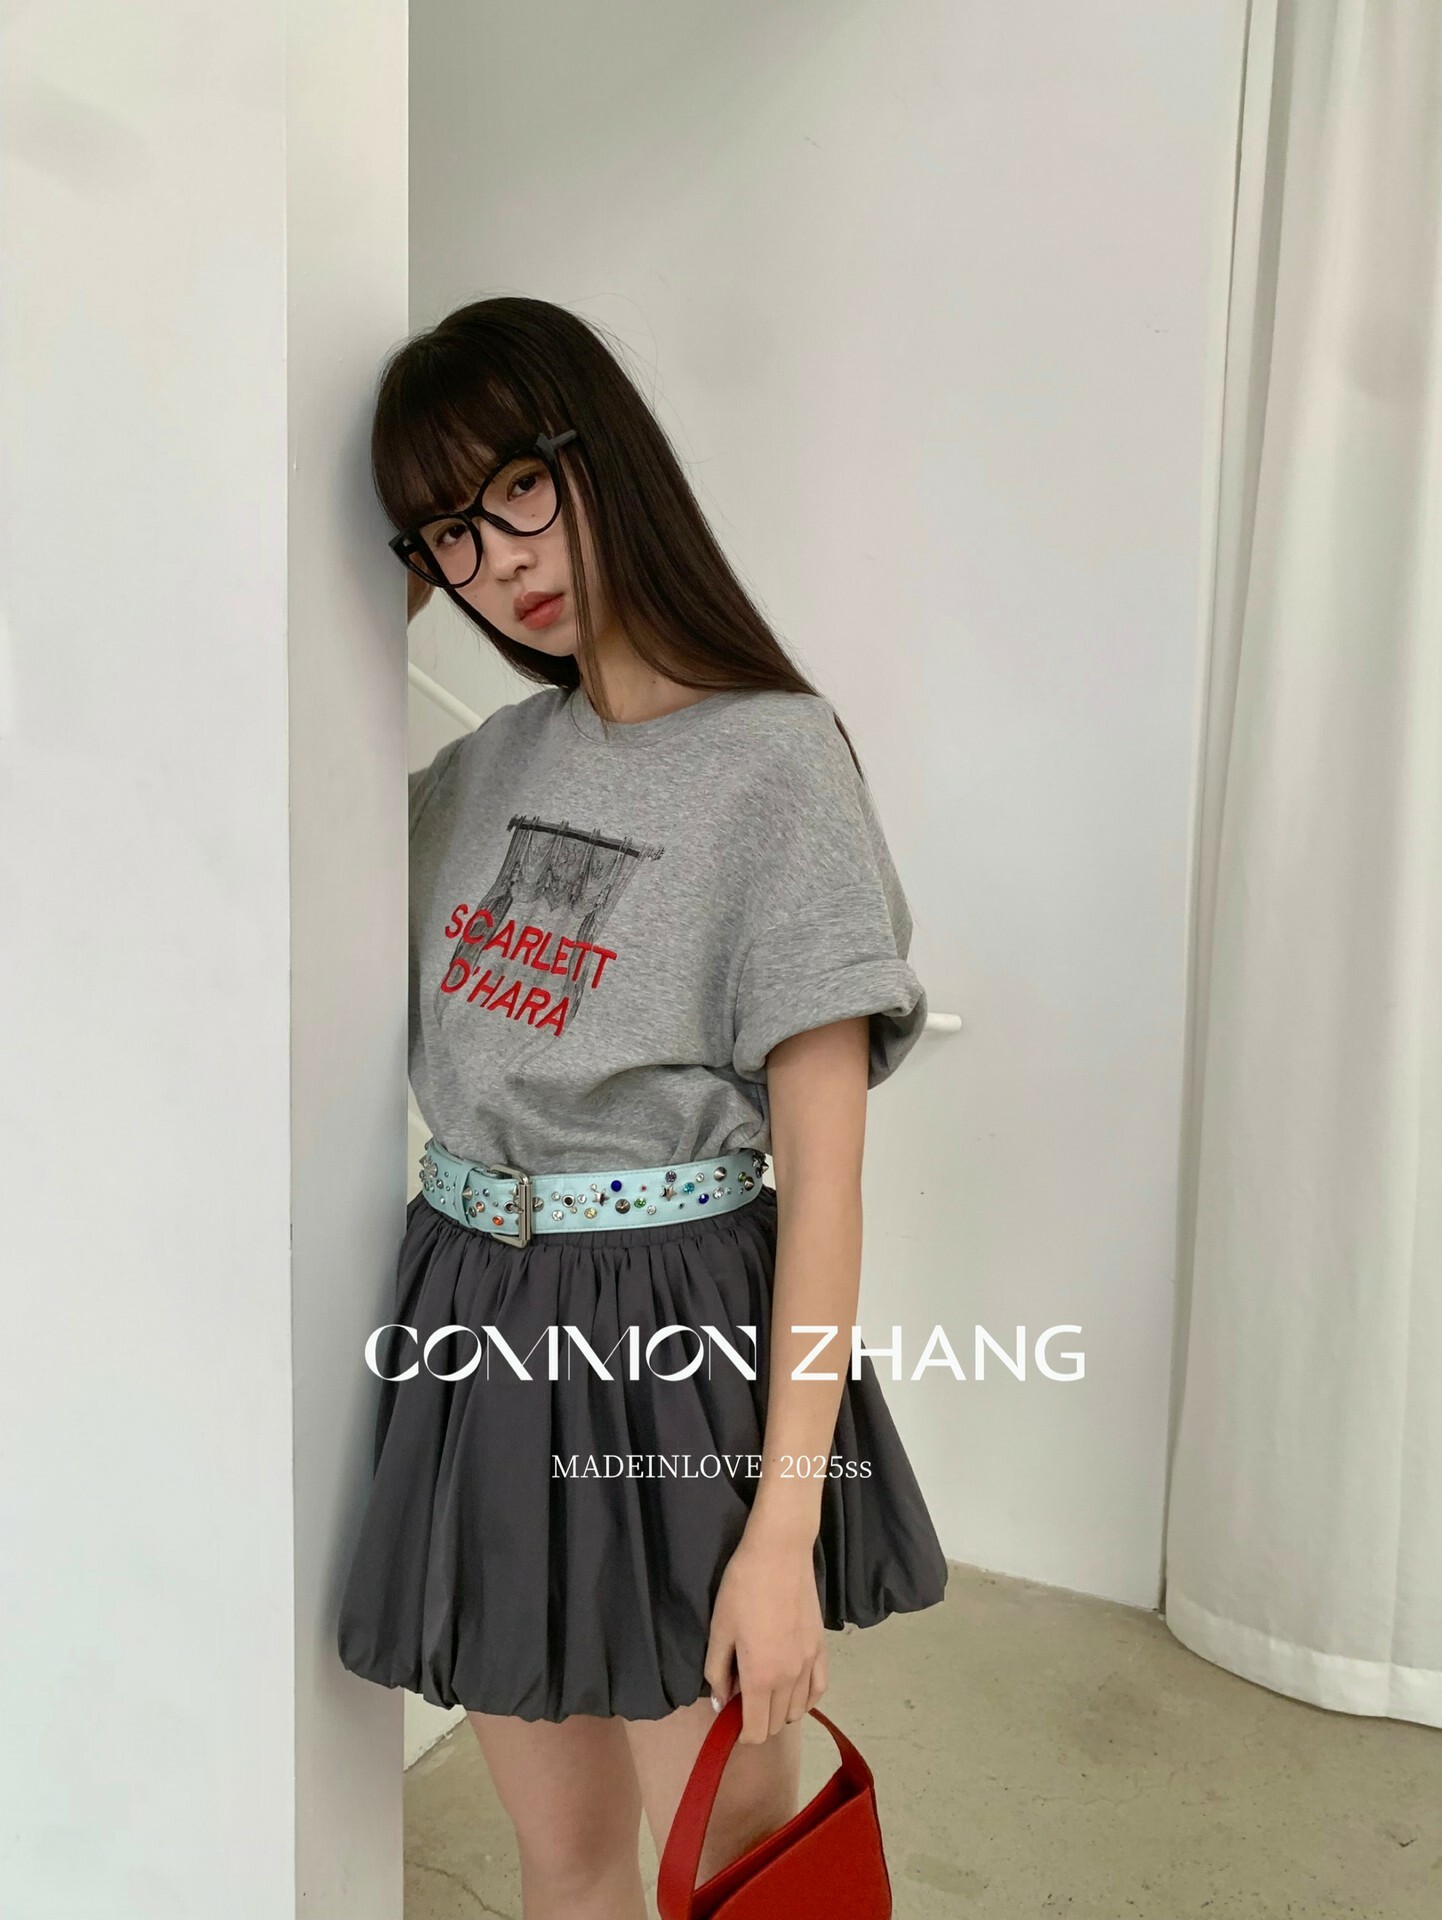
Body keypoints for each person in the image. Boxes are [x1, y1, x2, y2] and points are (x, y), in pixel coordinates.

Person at [336, 295, 948, 1920]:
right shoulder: (479, 770)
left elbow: (824, 1185)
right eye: (447, 534)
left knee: (731, 1851)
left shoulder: (777, 762)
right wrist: (360, 610)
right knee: (564, 1857)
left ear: (599, 453)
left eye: (517, 489)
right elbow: (254, 797)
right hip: (474, 1321)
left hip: (677, 1342)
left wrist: (779, 1538)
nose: (499, 560)